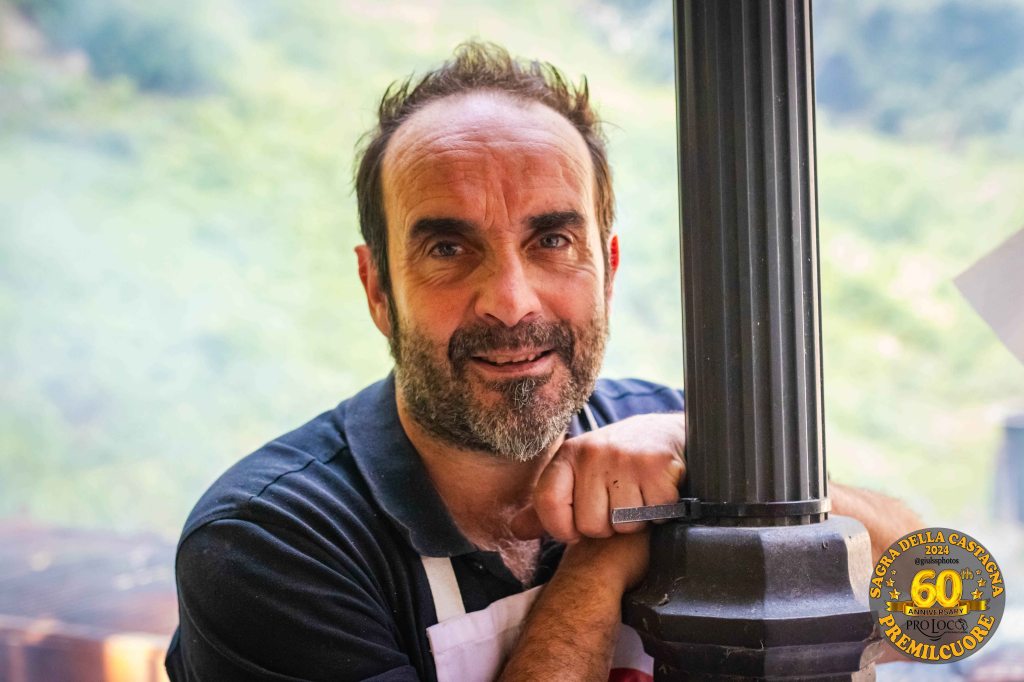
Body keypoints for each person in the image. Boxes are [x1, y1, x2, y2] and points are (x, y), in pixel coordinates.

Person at [165, 42, 920, 681]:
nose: (511, 301)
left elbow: (945, 609)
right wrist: (603, 562)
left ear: (608, 269)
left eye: (552, 241)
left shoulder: (669, 431)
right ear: (378, 290)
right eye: (449, 248)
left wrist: (714, 453)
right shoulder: (270, 542)